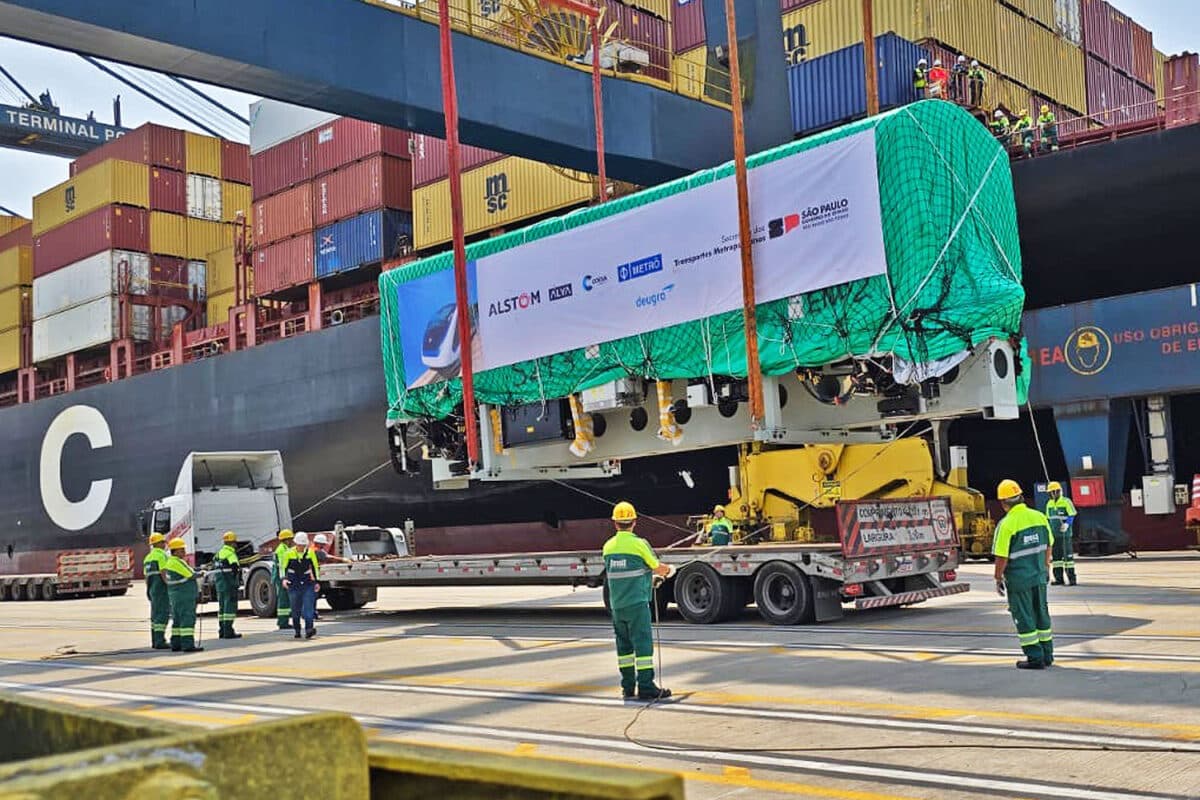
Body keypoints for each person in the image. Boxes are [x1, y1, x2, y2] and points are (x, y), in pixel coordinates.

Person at [603, 501, 674, 701]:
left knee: (624, 648)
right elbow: (656, 566)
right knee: (642, 646)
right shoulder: (639, 544)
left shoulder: (608, 547)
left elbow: (622, 572)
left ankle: (627, 687)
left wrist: (645, 578)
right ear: (634, 522)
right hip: (637, 604)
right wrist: (669, 571)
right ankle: (646, 687)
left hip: (617, 606)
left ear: (615, 523)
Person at [992, 480, 1054, 670]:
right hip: (1039, 576)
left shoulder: (1006, 524)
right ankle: (1047, 654)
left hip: (1019, 581)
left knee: (1025, 616)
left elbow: (1001, 556)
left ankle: (1035, 658)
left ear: (1003, 503)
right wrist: (1046, 567)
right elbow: (1049, 545)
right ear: (1020, 497)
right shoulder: (1040, 517)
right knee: (1041, 613)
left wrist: (998, 578)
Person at [162, 538, 204, 652]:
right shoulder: (177, 562)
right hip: (185, 596)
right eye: (182, 550)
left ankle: (176, 643)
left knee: (177, 620)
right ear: (175, 551)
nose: (184, 552)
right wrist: (202, 573)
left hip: (176, 597)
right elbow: (191, 575)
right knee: (187, 619)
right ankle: (187, 644)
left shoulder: (169, 562)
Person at [282, 531, 320, 639]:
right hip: (293, 584)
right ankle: (297, 630)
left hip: (307, 583)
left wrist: (316, 581)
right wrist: (284, 579)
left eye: (303, 545)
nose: (302, 547)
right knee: (295, 610)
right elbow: (283, 568)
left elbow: (314, 567)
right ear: (295, 544)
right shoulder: (288, 553)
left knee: (308, 608)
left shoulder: (310, 553)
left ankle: (309, 629)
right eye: (300, 545)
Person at [1045, 481, 1078, 585]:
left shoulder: (1066, 502)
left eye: (1051, 492)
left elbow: (1072, 514)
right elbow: (1048, 519)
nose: (1050, 494)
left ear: (1057, 492)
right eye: (1049, 493)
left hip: (1065, 535)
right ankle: (1059, 579)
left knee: (1068, 558)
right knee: (1056, 559)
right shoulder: (1049, 504)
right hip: (1054, 535)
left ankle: (1072, 579)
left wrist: (1067, 524)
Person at [212, 531, 242, 639]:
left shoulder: (218, 553)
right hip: (229, 584)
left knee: (222, 608)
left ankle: (222, 631)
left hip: (220, 585)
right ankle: (228, 631)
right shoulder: (231, 554)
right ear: (233, 543)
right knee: (230, 607)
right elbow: (235, 567)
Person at [143, 532, 171, 649]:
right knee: (162, 614)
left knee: (155, 616)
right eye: (163, 542)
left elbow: (146, 577)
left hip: (152, 590)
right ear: (158, 544)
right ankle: (160, 641)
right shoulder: (161, 555)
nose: (164, 544)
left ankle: (155, 640)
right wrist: (169, 585)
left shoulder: (148, 558)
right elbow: (163, 572)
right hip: (161, 590)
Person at [273, 529, 294, 630]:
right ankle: (283, 622)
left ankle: (284, 620)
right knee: (283, 600)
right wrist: (283, 579)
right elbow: (282, 566)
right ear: (286, 540)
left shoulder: (284, 548)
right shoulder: (281, 550)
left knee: (285, 599)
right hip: (281, 577)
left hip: (282, 576)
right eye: (290, 539)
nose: (292, 541)